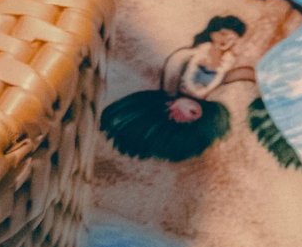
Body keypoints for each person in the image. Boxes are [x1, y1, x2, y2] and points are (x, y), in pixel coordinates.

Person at [101, 12, 256, 161]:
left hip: (199, 104)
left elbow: (224, 78)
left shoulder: (226, 64)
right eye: (223, 34)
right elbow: (172, 71)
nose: (226, 40)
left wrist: (253, 76)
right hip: (175, 98)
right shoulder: (189, 55)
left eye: (232, 38)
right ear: (213, 33)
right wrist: (171, 97)